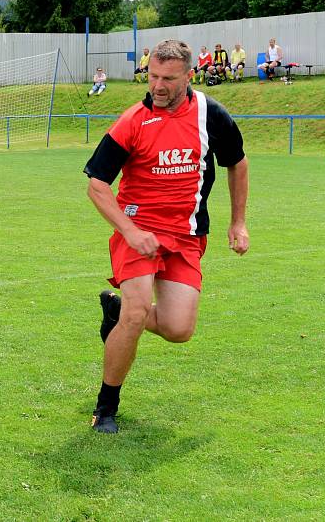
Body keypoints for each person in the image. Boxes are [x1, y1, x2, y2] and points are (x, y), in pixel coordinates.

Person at [83, 39, 249, 434]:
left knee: (178, 330)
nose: (157, 85)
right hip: (137, 232)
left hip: (187, 235)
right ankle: (106, 407)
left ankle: (116, 311)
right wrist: (129, 230)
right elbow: (97, 185)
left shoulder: (211, 114)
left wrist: (237, 223)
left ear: (188, 76)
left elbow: (237, 163)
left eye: (168, 79)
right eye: (153, 75)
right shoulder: (133, 120)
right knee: (137, 311)